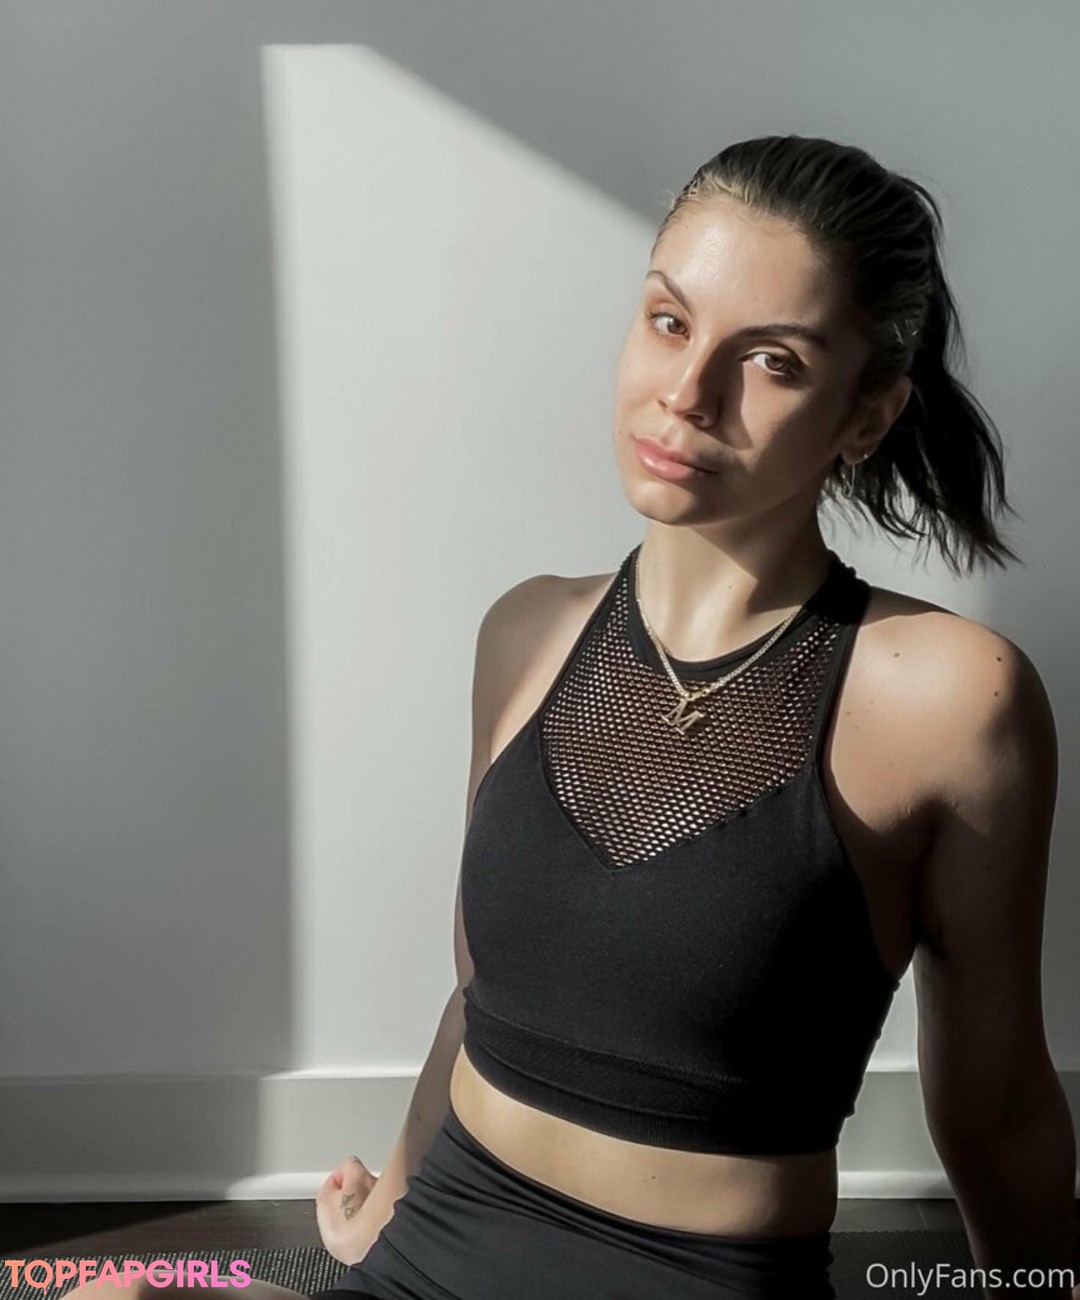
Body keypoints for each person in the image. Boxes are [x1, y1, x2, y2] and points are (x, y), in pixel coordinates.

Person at [69, 135, 1077, 1300]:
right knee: (109, 1291)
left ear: (868, 413)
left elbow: (998, 1107)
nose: (687, 393)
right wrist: (387, 1205)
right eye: (669, 321)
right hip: (431, 1260)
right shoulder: (528, 631)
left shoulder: (948, 698)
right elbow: (483, 998)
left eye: (772, 361)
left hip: (692, 1282)